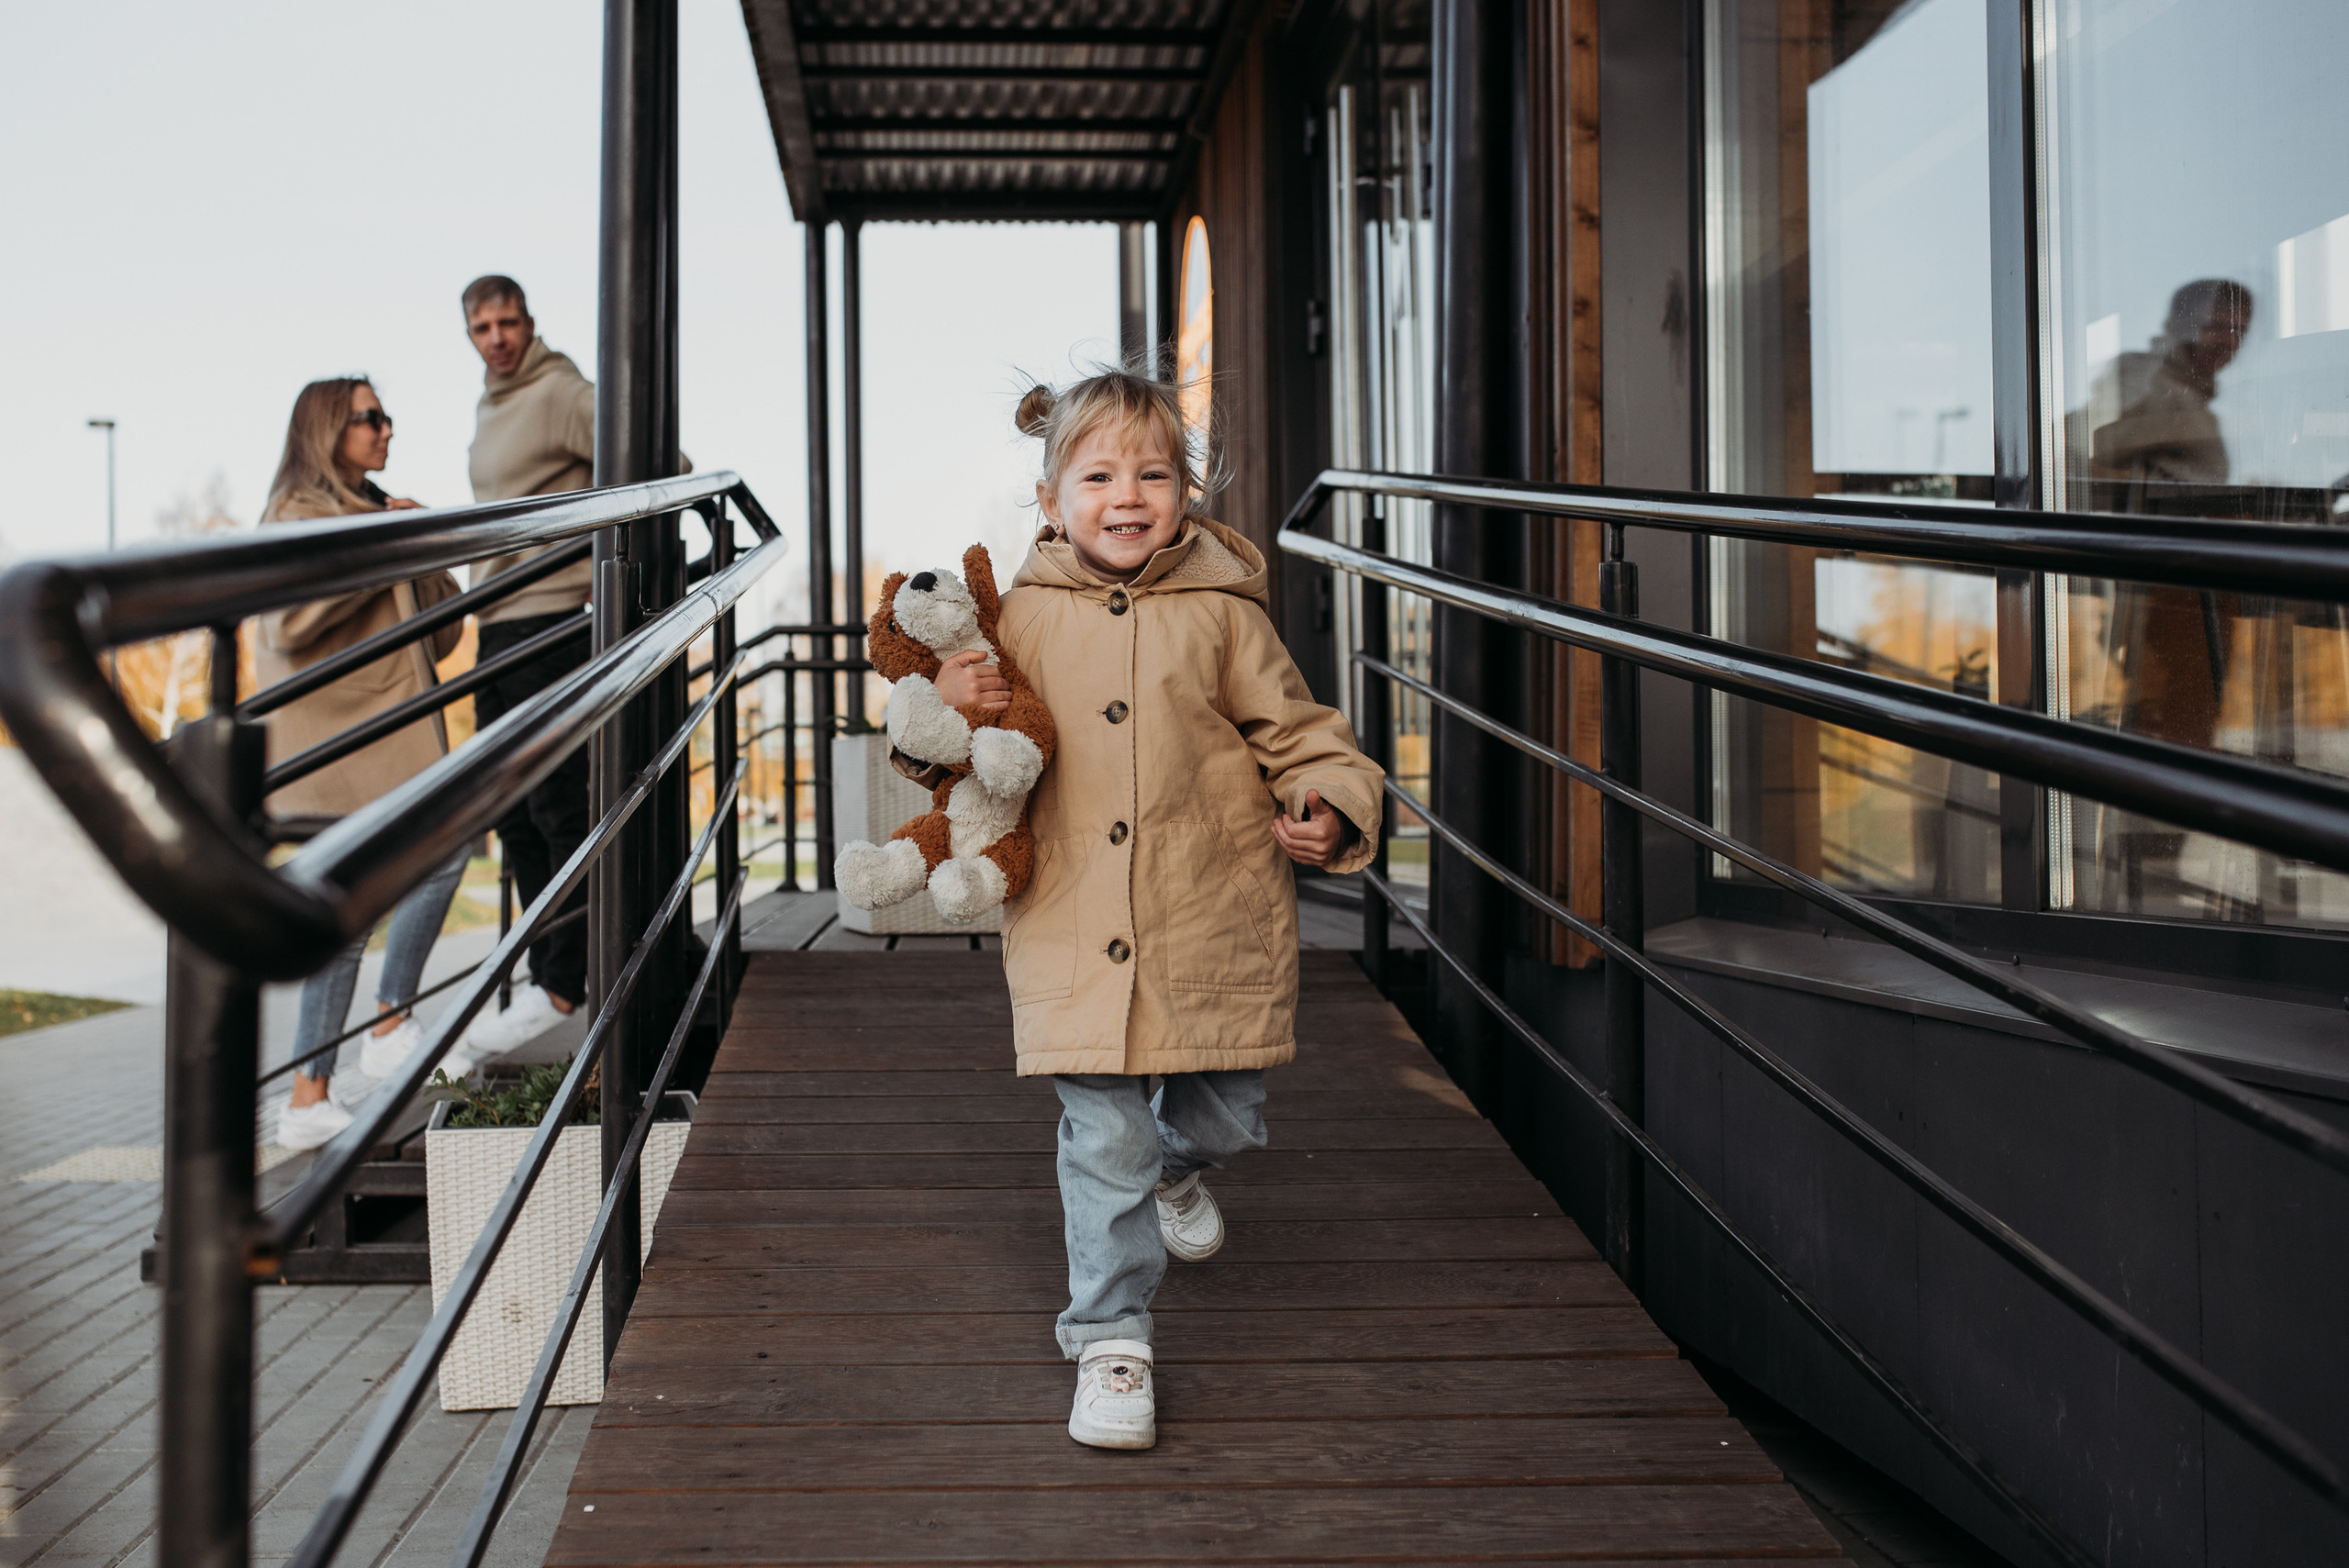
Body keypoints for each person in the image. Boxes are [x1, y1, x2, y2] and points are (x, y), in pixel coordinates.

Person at [923, 370, 1383, 1450]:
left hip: (1210, 908)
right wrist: (950, 704)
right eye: (1097, 475)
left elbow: (1303, 735)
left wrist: (1327, 804)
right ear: (1050, 499)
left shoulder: (1223, 618)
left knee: (1223, 1112)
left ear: (1187, 491)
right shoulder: (1017, 619)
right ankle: (1111, 1338)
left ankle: (1184, 1163)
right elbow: (960, 748)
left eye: (1152, 472)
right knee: (1104, 1135)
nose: (1125, 494)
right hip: (1075, 919)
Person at [257, 377, 470, 1151]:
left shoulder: (370, 510)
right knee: (435, 856)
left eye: (387, 416)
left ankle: (311, 1091)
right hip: (339, 746)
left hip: (393, 731)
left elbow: (440, 635)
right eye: (368, 418)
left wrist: (424, 547)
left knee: (354, 909)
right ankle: (383, 1027)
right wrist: (389, 539)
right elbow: (293, 617)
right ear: (325, 429)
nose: (387, 429)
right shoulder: (298, 513)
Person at [453, 274, 594, 1056]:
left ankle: (564, 979)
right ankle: (550, 973)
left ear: (529, 323)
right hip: (495, 625)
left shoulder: (561, 390)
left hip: (552, 625)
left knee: (556, 807)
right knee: (509, 811)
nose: (498, 337)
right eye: (482, 327)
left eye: (508, 322)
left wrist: (586, 552)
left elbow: (657, 454)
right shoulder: (489, 403)